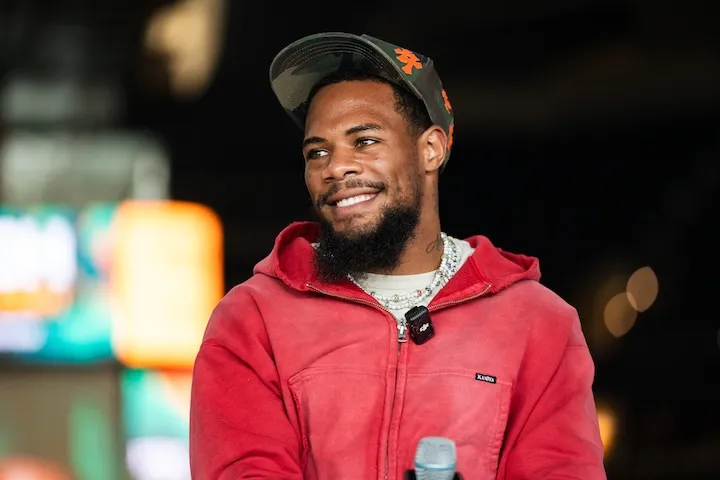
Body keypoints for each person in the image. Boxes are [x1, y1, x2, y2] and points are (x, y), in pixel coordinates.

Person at [189, 32, 606, 480]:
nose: (335, 167)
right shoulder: (253, 320)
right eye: (318, 152)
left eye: (364, 140)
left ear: (431, 149)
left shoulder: (538, 324)